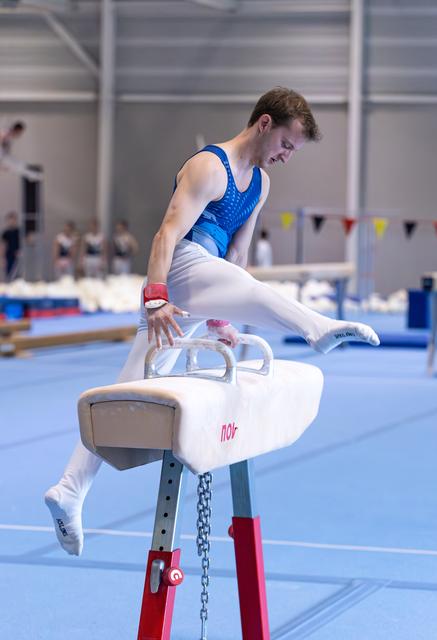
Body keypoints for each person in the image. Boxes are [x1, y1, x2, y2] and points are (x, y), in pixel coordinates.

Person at [45, 86, 379, 556]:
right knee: (258, 294)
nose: (287, 156)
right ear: (264, 123)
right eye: (286, 144)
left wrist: (220, 315)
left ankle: (69, 490)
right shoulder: (208, 166)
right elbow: (166, 234)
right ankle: (314, 327)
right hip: (179, 268)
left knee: (128, 390)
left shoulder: (260, 184)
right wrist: (156, 300)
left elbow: (237, 258)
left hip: (201, 287)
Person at [1, 211, 21, 281]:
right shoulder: (6, 233)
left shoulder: (19, 231)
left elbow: (27, 242)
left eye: (13, 219)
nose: (12, 221)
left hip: (18, 255)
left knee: (18, 274)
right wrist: (2, 257)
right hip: (9, 255)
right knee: (10, 273)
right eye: (10, 220)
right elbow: (3, 245)